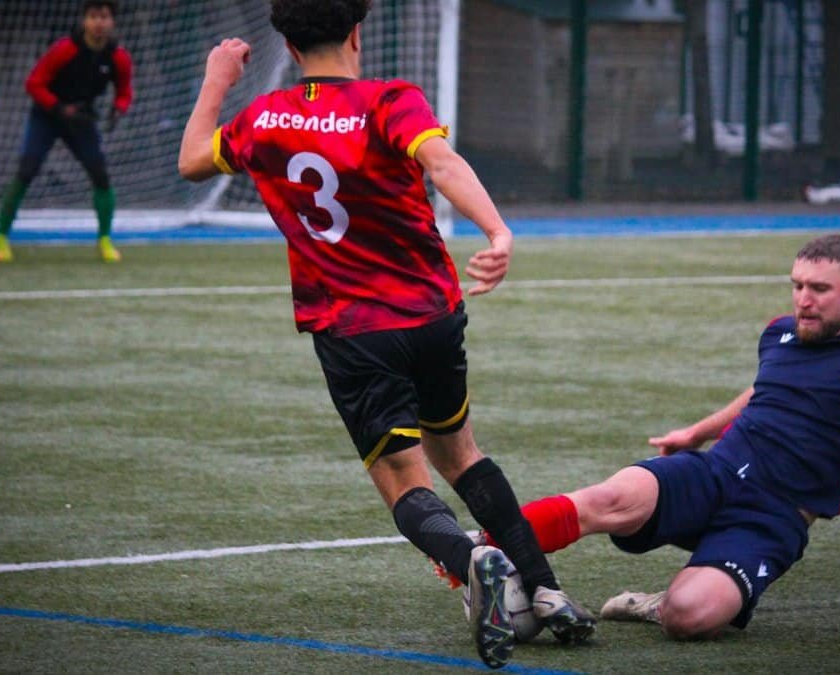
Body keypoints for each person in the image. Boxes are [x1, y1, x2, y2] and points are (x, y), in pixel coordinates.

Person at [176, 0, 594, 668]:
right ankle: (547, 590)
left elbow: (193, 159)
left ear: (285, 46)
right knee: (461, 452)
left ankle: (472, 557)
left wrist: (218, 78)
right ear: (357, 32)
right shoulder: (391, 100)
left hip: (353, 329)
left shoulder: (264, 119)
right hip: (431, 314)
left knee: (405, 480)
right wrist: (498, 231)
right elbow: (443, 164)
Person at [496, 189, 840, 640]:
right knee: (610, 497)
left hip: (773, 516)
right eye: (798, 286)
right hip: (714, 473)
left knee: (689, 618)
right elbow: (763, 391)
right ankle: (482, 550)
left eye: (820, 289)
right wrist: (699, 432)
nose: (804, 299)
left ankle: (660, 601)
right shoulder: (779, 332)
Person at [0, 0, 133, 263]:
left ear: (112, 21)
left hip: (80, 119)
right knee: (27, 170)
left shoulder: (118, 57)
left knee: (100, 175)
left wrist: (118, 108)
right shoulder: (64, 50)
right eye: (93, 16)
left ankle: (105, 239)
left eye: (104, 16)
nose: (99, 22)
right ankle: (1, 235)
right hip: (47, 116)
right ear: (84, 20)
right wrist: (58, 107)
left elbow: (124, 91)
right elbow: (34, 83)